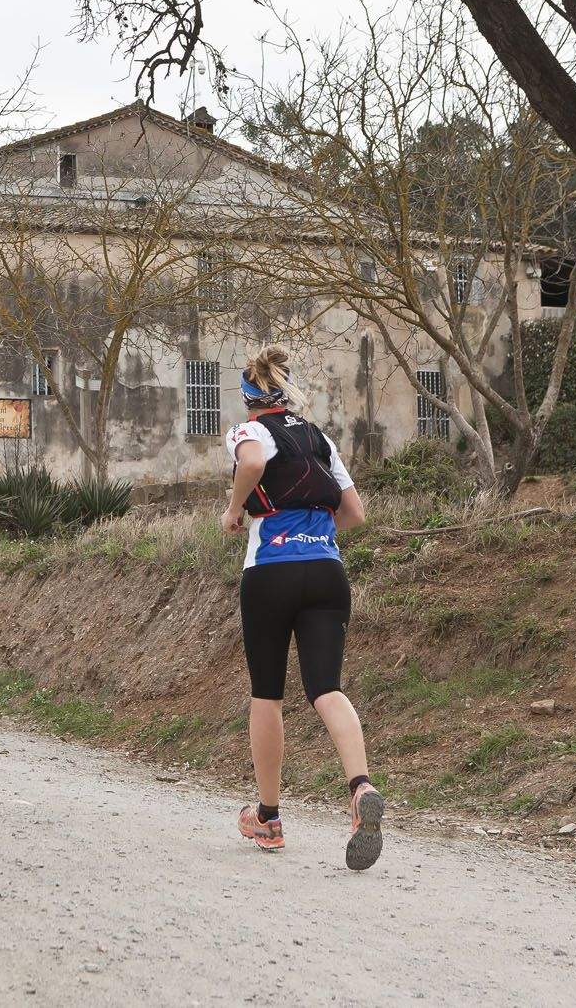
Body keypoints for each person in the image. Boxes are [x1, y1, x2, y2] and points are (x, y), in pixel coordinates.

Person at [221, 344, 383, 870]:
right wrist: (313, 537)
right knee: (327, 688)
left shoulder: (252, 431)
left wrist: (232, 510)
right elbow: (355, 513)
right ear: (286, 392)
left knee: (267, 694)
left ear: (249, 398)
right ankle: (360, 789)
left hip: (270, 572)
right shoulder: (320, 438)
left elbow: (250, 462)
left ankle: (268, 817)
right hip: (328, 573)